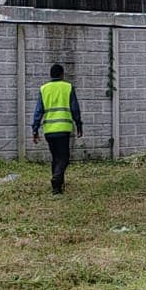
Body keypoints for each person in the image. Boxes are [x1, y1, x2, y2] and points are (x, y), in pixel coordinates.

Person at [31, 63, 83, 194]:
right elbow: (75, 108)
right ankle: (57, 178)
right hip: (63, 129)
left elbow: (38, 111)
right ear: (62, 74)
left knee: (55, 158)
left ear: (50, 75)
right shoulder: (68, 87)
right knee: (64, 158)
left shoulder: (44, 89)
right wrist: (79, 124)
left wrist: (35, 129)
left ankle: (57, 189)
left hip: (49, 130)